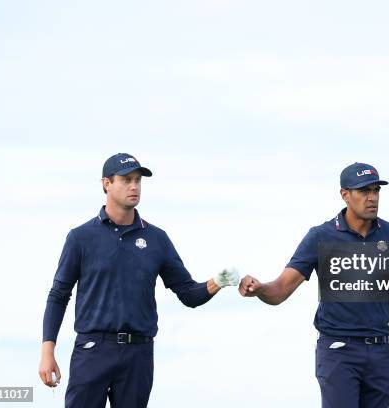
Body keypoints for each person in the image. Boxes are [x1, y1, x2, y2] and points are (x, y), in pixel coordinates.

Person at [38, 153, 239, 408]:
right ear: (106, 184)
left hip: (138, 353)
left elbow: (188, 294)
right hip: (93, 349)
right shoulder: (81, 238)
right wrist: (48, 353)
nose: (134, 186)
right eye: (126, 180)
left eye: (138, 180)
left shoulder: (157, 239)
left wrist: (219, 281)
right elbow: (58, 295)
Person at [239, 162, 389, 408]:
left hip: (380, 352)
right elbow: (281, 290)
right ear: (345, 195)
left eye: (376, 190)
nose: (372, 198)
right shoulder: (321, 236)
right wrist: (260, 288)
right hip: (338, 351)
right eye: (364, 191)